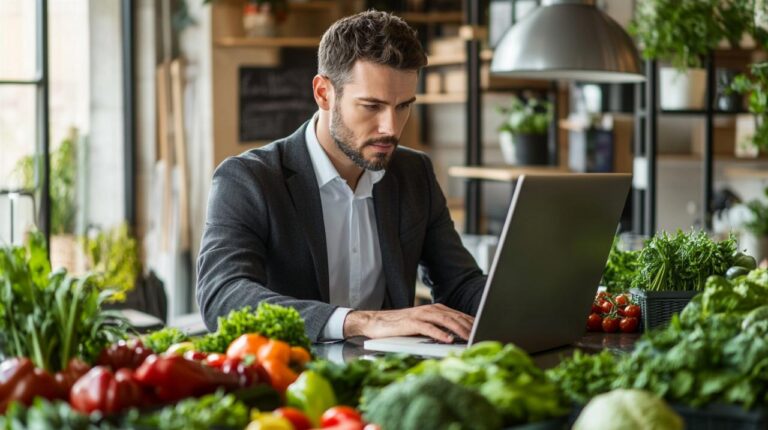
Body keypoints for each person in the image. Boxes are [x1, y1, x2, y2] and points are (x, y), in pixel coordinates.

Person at [197, 10, 486, 344]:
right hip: (289, 379)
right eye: (371, 106)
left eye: (403, 106)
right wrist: (360, 322)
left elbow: (460, 284)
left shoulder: (414, 173)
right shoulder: (248, 179)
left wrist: (534, 304)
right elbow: (223, 297)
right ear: (324, 93)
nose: (391, 128)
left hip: (390, 382)